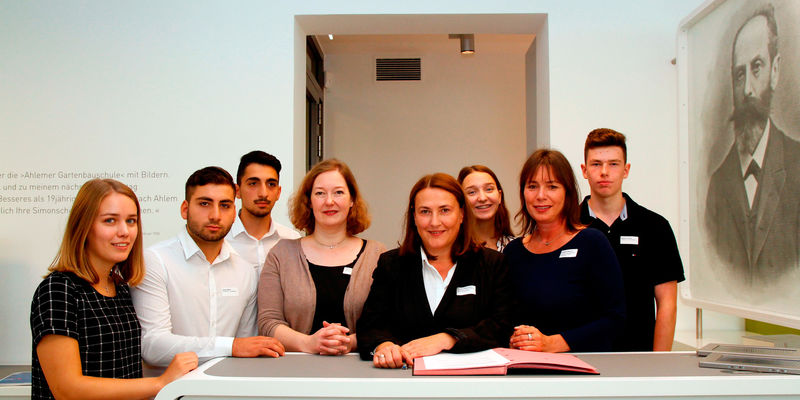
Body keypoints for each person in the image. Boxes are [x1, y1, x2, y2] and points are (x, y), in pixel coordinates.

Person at [30, 179, 197, 400]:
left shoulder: (121, 288)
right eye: (110, 221)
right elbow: (67, 390)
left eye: (131, 221)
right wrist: (160, 383)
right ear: (83, 226)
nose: (124, 231)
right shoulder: (58, 290)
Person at [131, 167, 284, 366]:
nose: (215, 215)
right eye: (205, 203)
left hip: (226, 384)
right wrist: (231, 347)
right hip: (171, 385)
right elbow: (152, 346)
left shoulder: (245, 272)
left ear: (233, 213)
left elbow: (248, 347)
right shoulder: (155, 261)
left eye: (225, 205)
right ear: (185, 209)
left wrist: (238, 348)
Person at [358, 173, 514, 368]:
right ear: (414, 217)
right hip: (404, 379)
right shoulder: (391, 264)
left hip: (473, 381)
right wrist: (384, 346)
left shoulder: (492, 264)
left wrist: (449, 338)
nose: (434, 222)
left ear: (462, 214)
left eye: (445, 210)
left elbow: (502, 326)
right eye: (425, 211)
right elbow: (370, 326)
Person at [705, 4, 800, 285]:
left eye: (756, 67)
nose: (747, 89)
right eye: (739, 74)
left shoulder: (797, 165)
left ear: (775, 69)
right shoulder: (717, 185)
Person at [258, 159, 386, 355]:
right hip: (295, 369)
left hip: (359, 369)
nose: (329, 201)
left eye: (338, 192)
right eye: (320, 193)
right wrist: (309, 343)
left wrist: (349, 342)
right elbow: (268, 323)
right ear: (309, 201)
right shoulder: (281, 255)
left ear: (352, 199)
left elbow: (389, 320)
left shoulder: (378, 255)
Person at [505, 149, 625, 353]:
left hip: (581, 366)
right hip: (524, 367)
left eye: (552, 186)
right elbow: (503, 319)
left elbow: (614, 318)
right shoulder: (513, 252)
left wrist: (552, 343)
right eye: (532, 186)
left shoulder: (592, 243)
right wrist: (512, 339)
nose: (540, 196)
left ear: (567, 192)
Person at [580, 129, 685, 352]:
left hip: (638, 355)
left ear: (626, 170)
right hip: (579, 355)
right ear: (584, 170)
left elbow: (667, 305)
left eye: (613, 164)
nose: (604, 172)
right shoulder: (568, 225)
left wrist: (659, 363)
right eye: (596, 164)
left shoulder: (655, 227)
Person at [227, 150, 300, 275]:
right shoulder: (222, 241)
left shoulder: (292, 241)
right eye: (253, 183)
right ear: (237, 191)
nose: (263, 193)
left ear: (278, 192)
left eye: (271, 184)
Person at [457, 165, 515, 251]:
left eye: (488, 189)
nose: (482, 198)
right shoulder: (452, 249)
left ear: (499, 196)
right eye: (472, 192)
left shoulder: (516, 248)